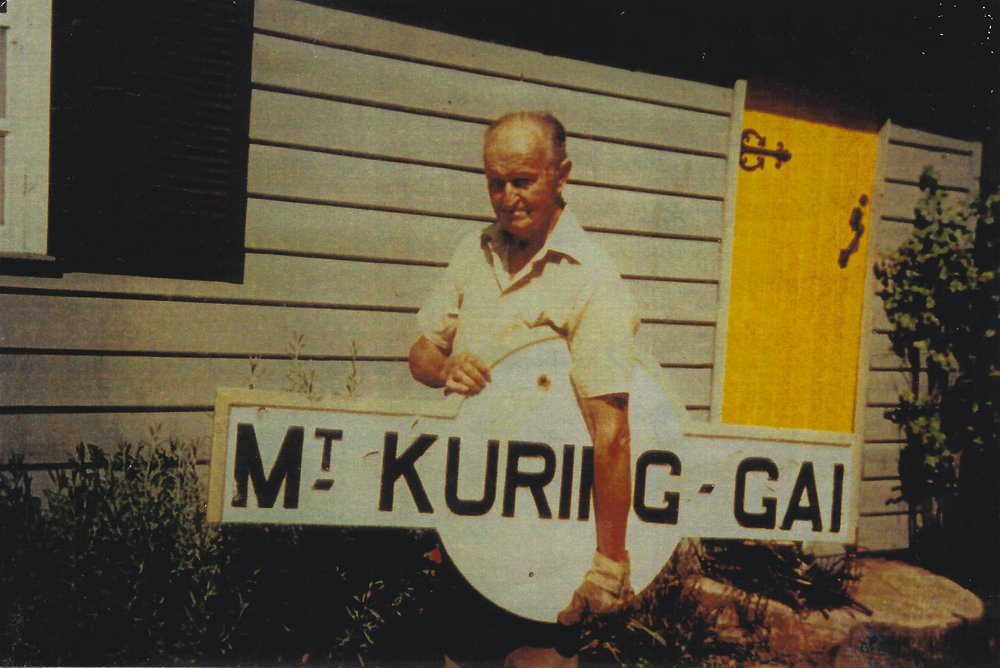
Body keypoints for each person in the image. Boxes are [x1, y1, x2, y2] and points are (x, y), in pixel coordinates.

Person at [408, 110, 639, 663]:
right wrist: (444, 368)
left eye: (523, 181)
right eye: (495, 182)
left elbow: (611, 435)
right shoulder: (475, 250)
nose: (508, 196)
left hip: (548, 549)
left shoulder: (593, 279)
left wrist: (608, 567)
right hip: (467, 527)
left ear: (562, 175)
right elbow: (420, 351)